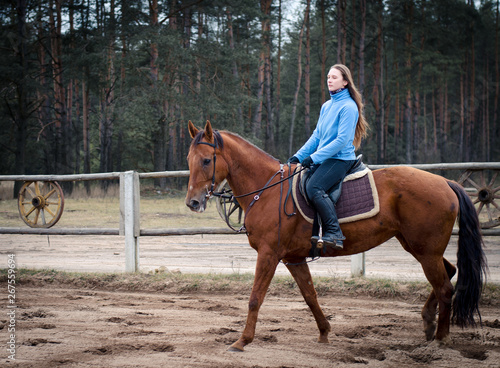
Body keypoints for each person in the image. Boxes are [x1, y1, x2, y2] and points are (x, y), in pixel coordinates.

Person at [288, 64, 369, 250]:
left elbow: (342, 141)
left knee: (314, 187)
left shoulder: (348, 107)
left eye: (334, 77)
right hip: (325, 158)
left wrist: (314, 158)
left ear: (345, 81)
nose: (329, 80)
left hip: (341, 159)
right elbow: (317, 136)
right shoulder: (327, 106)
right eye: (328, 77)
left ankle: (334, 232)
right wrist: (298, 157)